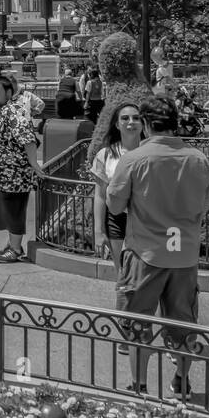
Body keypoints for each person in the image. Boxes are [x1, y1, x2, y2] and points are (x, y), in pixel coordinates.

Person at [106, 95, 209, 397]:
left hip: (145, 254)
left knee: (139, 322)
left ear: (148, 124)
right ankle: (181, 381)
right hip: (185, 256)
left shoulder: (134, 159)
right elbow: (204, 205)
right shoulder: (199, 160)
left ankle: (139, 386)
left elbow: (114, 206)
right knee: (183, 322)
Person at [0, 74, 46, 263]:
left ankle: (15, 250)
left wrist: (34, 164)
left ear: (9, 92)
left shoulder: (13, 111)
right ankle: (11, 244)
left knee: (13, 210)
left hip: (12, 175)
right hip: (1, 176)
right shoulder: (4, 110)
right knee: (6, 210)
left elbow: (28, 138)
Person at [91, 101, 143, 341]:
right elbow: (100, 194)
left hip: (145, 222)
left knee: (144, 275)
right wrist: (98, 231)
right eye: (125, 118)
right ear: (116, 123)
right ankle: (126, 322)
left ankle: (143, 320)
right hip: (117, 221)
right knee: (122, 273)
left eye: (136, 117)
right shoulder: (106, 154)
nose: (131, 122)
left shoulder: (149, 151)